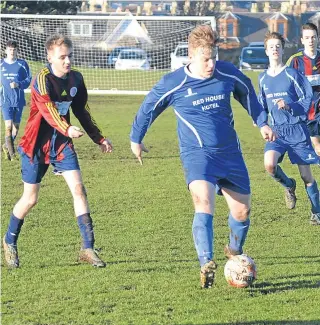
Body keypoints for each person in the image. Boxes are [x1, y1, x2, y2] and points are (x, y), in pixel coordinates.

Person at [130, 25, 275, 288]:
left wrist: (262, 121)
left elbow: (248, 94)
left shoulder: (226, 73)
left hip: (230, 153)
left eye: (214, 57)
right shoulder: (174, 83)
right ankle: (205, 262)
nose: (211, 64)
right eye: (205, 59)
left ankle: (233, 251)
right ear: (192, 55)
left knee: (242, 212)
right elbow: (147, 108)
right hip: (197, 154)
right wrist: (135, 139)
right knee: (203, 202)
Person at [2, 34, 113, 268]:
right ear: (49, 57)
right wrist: (66, 127)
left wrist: (99, 138)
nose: (67, 61)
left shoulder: (76, 79)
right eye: (62, 57)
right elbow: (48, 110)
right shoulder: (41, 79)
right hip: (36, 145)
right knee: (30, 199)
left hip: (62, 144)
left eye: (69, 56)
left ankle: (88, 248)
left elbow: (82, 111)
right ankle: (9, 241)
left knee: (79, 190)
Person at [259, 32, 320, 225]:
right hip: (277, 131)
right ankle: (289, 185)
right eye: (271, 46)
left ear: (282, 49)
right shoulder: (262, 78)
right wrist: (261, 122)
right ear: (266, 50)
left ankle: (316, 212)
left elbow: (307, 98)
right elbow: (261, 105)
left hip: (297, 130)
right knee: (269, 165)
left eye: (278, 46)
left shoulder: (292, 74)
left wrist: (290, 106)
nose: (275, 49)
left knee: (306, 175)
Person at [286, 23, 320, 156]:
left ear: (318, 38)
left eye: (313, 37)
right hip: (308, 112)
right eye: (307, 38)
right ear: (302, 40)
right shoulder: (295, 61)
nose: (311, 41)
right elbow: (287, 86)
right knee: (317, 146)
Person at [0, 40, 32, 160]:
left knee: (16, 128)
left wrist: (18, 84)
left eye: (14, 50)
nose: (12, 52)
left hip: (18, 100)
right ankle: (13, 155)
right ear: (6, 51)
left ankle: (5, 146)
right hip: (5, 100)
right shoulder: (1, 64)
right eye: (10, 49)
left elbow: (28, 80)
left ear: (17, 51)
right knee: (8, 126)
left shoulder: (22, 64)